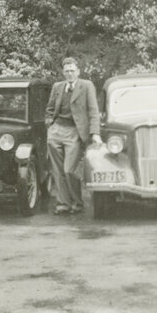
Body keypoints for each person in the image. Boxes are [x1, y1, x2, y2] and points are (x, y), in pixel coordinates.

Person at [45, 57, 101, 214]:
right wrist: (50, 125)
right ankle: (63, 204)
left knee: (69, 169)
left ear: (78, 71)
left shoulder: (86, 86)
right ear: (63, 72)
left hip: (74, 131)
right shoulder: (57, 86)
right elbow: (49, 109)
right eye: (66, 71)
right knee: (57, 170)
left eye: (72, 70)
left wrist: (95, 133)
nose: (69, 74)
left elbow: (93, 111)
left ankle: (77, 203)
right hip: (56, 131)